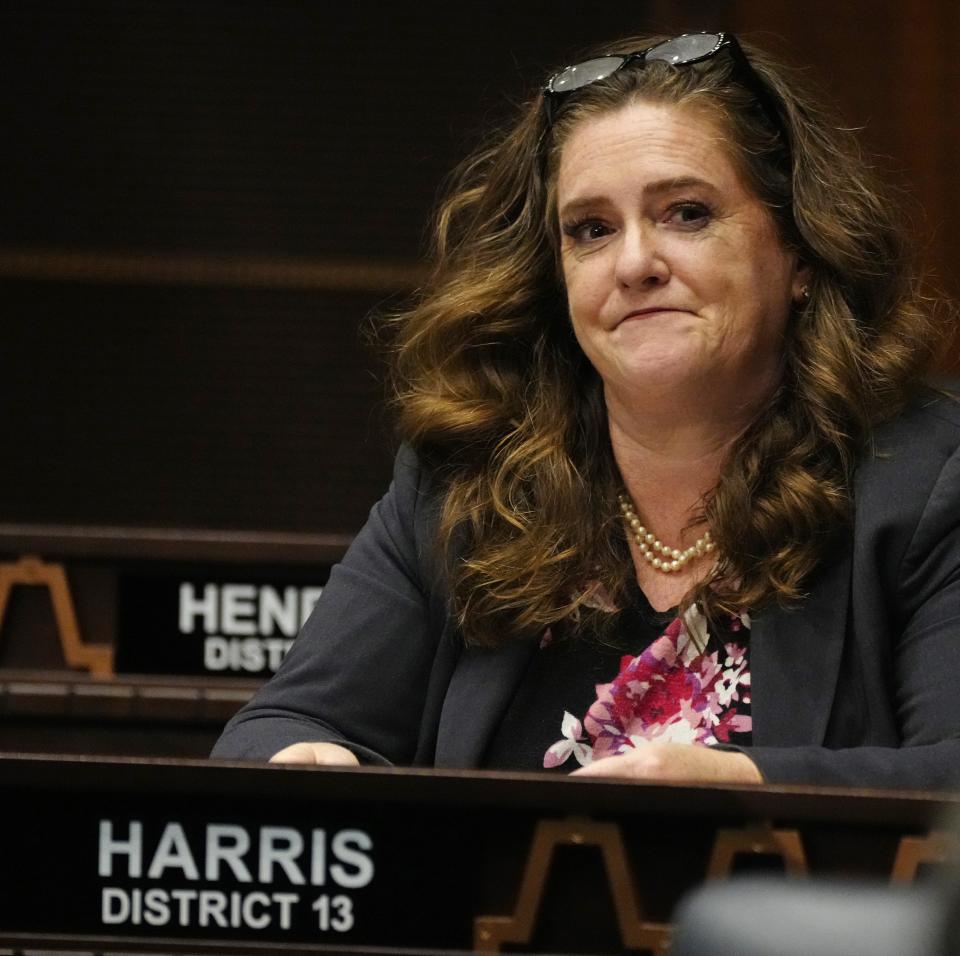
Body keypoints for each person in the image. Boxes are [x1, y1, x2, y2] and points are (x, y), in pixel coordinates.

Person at [212, 32, 960, 789]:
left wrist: (741, 787)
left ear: (800, 252)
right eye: (591, 230)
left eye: (687, 213)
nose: (635, 264)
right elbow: (281, 726)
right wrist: (307, 766)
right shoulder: (468, 484)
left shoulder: (927, 481)